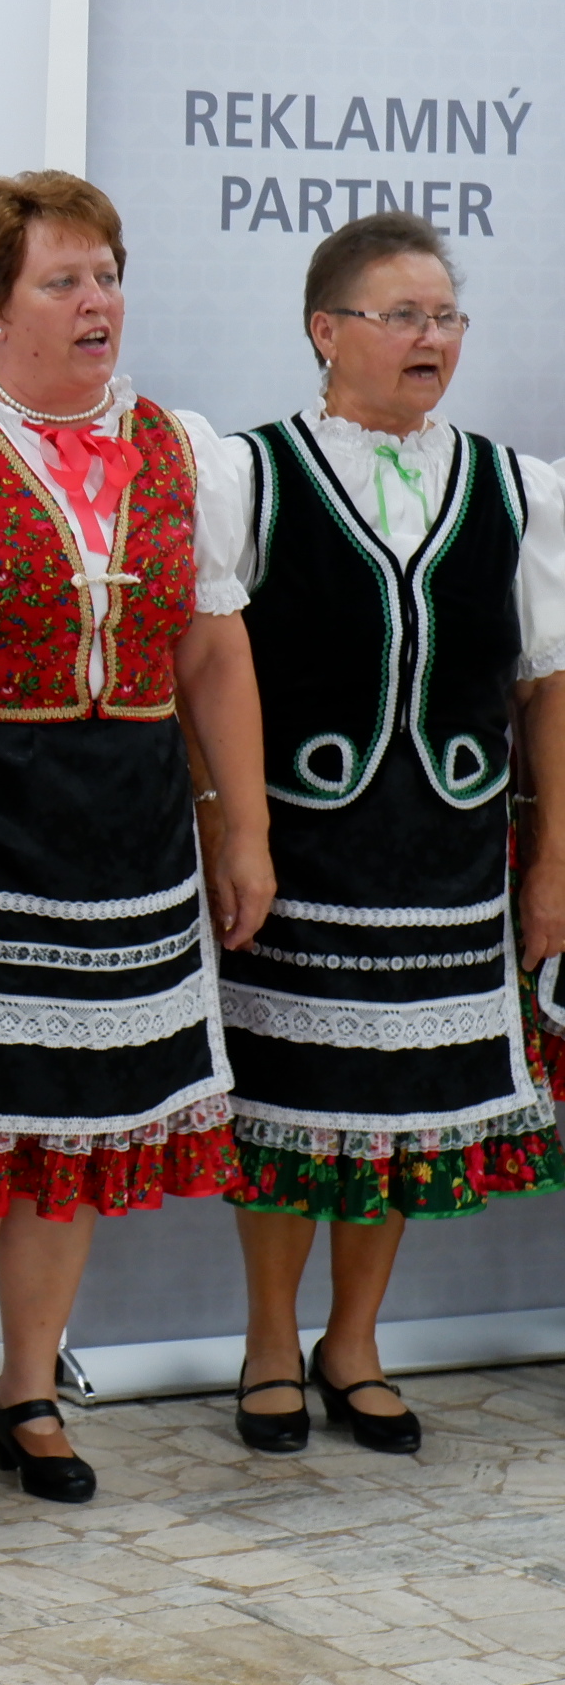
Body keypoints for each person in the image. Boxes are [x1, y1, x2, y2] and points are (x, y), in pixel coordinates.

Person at [0, 170, 274, 1514]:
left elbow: (212, 649)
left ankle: (27, 1387)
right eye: (62, 281)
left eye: (107, 276)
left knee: (80, 1126)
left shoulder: (185, 447)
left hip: (130, 820)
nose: (97, 303)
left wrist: (244, 828)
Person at [214, 211, 563, 1456]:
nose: (432, 339)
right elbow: (204, 670)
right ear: (326, 330)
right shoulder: (248, 474)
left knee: (405, 1109)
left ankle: (353, 1343)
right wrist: (232, 830)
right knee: (290, 1103)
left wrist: (552, 864)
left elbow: (545, 688)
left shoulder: (516, 489)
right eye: (402, 315)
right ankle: (268, 1340)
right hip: (301, 853)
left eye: (445, 317)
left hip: (450, 853)